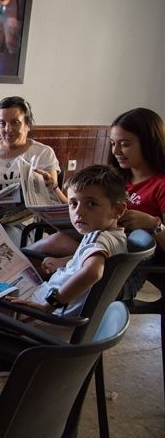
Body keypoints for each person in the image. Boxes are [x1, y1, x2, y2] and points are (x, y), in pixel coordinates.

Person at [0, 165, 129, 376]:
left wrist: (49, 306)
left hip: (44, 320)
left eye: (91, 204)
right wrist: (66, 262)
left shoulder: (97, 239)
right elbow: (90, 261)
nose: (79, 212)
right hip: (58, 320)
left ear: (118, 210)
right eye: (73, 203)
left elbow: (93, 273)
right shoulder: (116, 237)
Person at [26, 108, 165, 300]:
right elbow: (84, 207)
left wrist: (153, 224)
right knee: (49, 244)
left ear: (149, 143)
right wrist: (55, 189)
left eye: (124, 144)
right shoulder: (117, 177)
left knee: (55, 248)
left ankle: (38, 300)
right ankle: (19, 287)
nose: (115, 151)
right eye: (113, 144)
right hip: (97, 246)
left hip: (125, 262)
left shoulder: (160, 185)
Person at [0, 95, 63, 201]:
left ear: (28, 124)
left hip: (22, 215)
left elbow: (50, 194)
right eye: (2, 123)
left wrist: (50, 184)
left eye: (15, 122)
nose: (8, 129)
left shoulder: (43, 153)